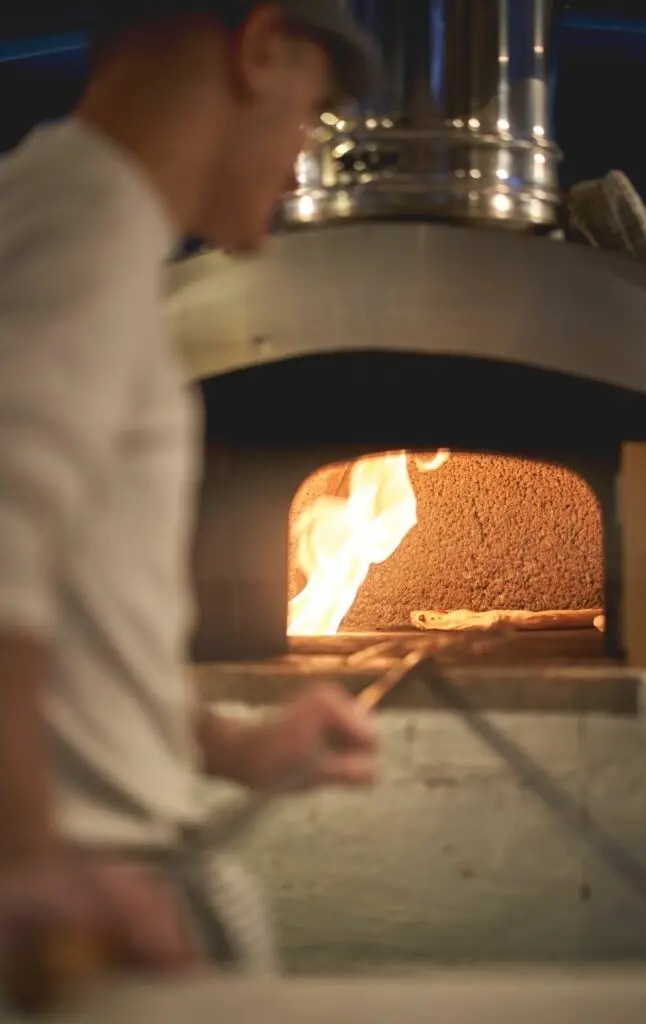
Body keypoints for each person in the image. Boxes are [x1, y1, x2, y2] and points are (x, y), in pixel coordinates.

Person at [0, 0, 378, 981]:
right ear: (258, 50)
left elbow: (80, 611)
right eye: (312, 110)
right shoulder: (82, 223)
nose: (301, 156)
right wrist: (27, 864)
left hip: (104, 873)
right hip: (88, 907)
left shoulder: (74, 214)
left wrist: (234, 748)